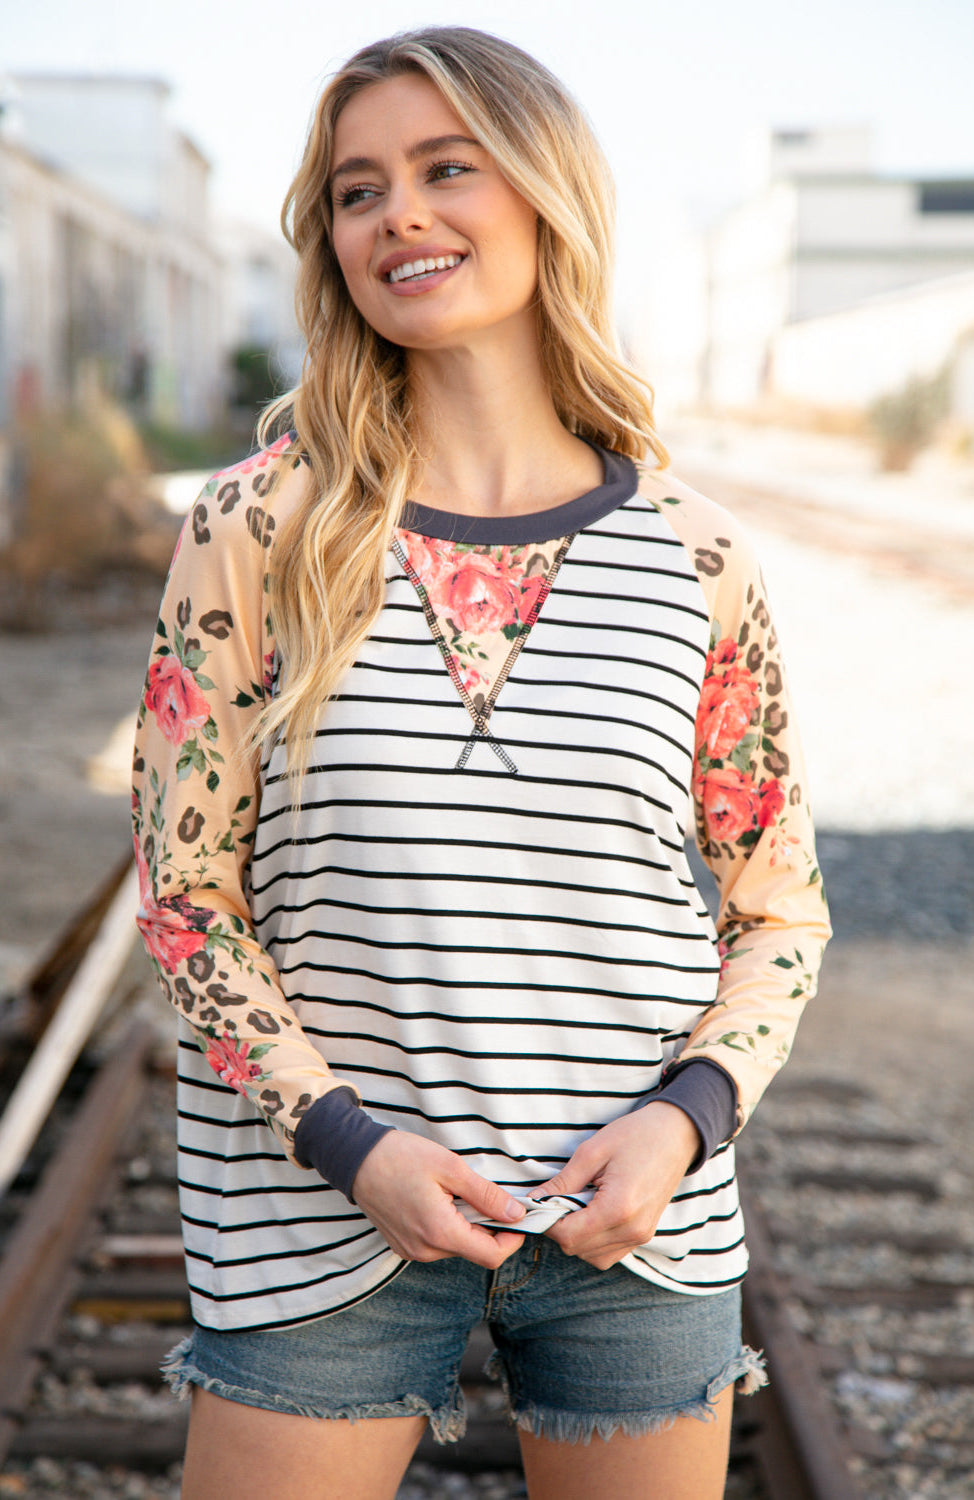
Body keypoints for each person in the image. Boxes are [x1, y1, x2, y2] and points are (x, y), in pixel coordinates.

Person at [132, 26, 831, 1500]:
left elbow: (777, 913)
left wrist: (679, 1124)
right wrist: (346, 1142)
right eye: (356, 189)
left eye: (446, 169)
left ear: (541, 193)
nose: (399, 216)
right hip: (317, 1218)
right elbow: (187, 897)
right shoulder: (261, 527)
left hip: (633, 1235)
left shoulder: (699, 561)